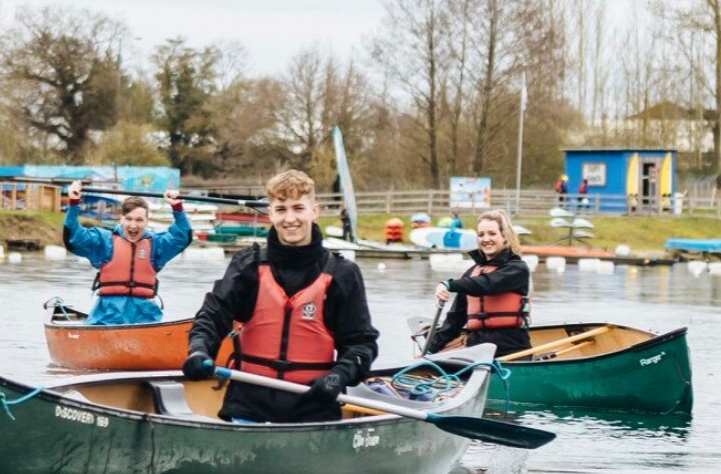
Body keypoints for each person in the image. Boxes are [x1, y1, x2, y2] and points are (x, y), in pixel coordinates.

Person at [183, 168, 379, 424]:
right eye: (281, 209)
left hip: (313, 406)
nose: (290, 219)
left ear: (314, 211)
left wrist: (339, 375)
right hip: (248, 405)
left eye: (298, 208)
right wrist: (199, 351)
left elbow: (361, 343)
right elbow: (211, 317)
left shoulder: (343, 274)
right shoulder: (248, 266)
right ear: (271, 213)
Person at [63, 180, 191, 325]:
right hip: (106, 317)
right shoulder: (104, 241)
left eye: (139, 220)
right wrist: (74, 203)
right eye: (128, 219)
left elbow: (182, 237)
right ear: (121, 218)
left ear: (147, 221)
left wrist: (177, 207)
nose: (133, 225)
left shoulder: (156, 244)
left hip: (145, 317)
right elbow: (74, 238)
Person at [426, 208, 531, 358]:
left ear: (504, 236)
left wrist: (448, 285)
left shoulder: (517, 269)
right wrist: (430, 349)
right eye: (481, 235)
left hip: (510, 350)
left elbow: (488, 284)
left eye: (492, 234)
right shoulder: (472, 273)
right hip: (476, 351)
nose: (486, 239)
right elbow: (455, 320)